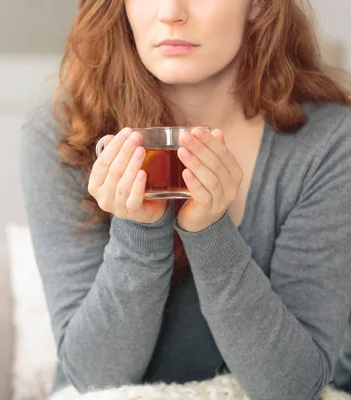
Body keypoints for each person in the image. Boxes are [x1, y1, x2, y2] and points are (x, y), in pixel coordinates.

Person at [20, 0, 351, 399]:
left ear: (258, 5)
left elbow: (294, 388)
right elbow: (92, 379)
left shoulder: (330, 142)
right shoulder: (64, 136)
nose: (171, 12)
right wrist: (139, 233)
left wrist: (210, 232)